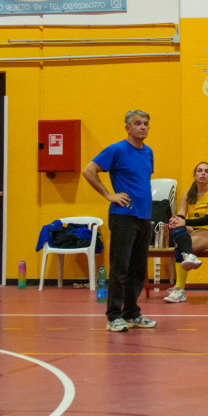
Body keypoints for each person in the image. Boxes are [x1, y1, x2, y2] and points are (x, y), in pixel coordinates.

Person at [83, 110, 158, 332]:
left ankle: (132, 313)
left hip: (144, 217)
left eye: (146, 123)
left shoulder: (148, 152)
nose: (143, 127)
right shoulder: (116, 150)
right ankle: (113, 316)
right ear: (127, 127)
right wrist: (108, 194)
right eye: (138, 123)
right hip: (123, 217)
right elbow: (89, 171)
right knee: (120, 268)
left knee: (138, 269)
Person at [163, 162, 208, 303]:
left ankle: (179, 289)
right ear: (194, 175)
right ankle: (190, 256)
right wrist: (176, 220)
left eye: (207, 171)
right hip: (192, 230)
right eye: (200, 171)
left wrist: (184, 222)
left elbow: (207, 219)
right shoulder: (187, 193)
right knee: (176, 225)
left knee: (181, 247)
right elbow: (181, 214)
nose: (203, 173)